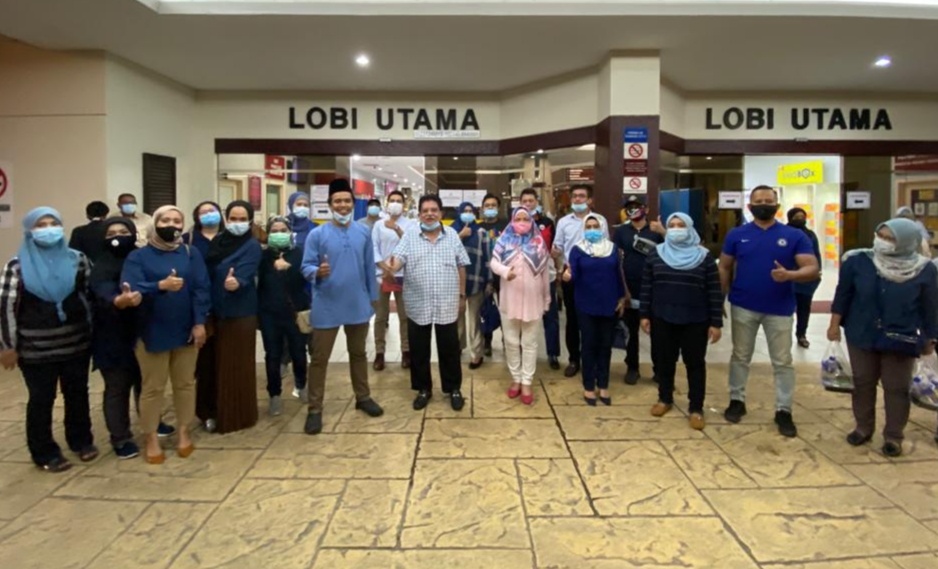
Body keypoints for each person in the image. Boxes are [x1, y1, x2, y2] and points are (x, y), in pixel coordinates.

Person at [828, 218, 938, 457]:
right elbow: (843, 294)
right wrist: (834, 324)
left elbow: (930, 306)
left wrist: (931, 337)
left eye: (890, 239)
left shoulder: (924, 269)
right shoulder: (858, 261)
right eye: (881, 236)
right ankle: (863, 428)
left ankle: (893, 436)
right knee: (862, 382)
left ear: (906, 242)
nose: (883, 242)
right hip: (861, 332)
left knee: (896, 387)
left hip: (902, 336)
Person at [719, 185, 820, 438]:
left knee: (782, 361)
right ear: (750, 206)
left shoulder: (794, 235)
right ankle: (736, 400)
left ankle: (784, 409)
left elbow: (812, 268)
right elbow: (724, 267)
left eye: (768, 201)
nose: (763, 204)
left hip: (780, 308)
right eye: (759, 201)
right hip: (743, 305)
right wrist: (719, 298)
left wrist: (790, 275)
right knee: (740, 356)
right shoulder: (737, 234)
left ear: (777, 205)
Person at [0, 207, 96, 472]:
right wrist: (7, 346)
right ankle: (44, 452)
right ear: (30, 231)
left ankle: (81, 441)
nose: (48, 229)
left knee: (77, 394)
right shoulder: (16, 266)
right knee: (42, 398)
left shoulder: (78, 259)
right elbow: (6, 308)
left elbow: (89, 296)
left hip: (76, 343)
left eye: (53, 223)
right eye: (40, 225)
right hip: (35, 349)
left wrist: (93, 333)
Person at [121, 205, 210, 463]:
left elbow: (201, 288)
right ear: (155, 224)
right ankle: (150, 437)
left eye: (177, 221)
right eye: (165, 220)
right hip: (152, 330)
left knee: (185, 384)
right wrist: (159, 285)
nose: (172, 225)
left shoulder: (190, 253)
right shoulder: (138, 256)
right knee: (153, 387)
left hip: (186, 329)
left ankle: (183, 431)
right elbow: (132, 287)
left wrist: (199, 322)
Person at [301, 179, 383, 434]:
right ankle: (315, 409)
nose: (342, 205)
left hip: (357, 303)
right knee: (319, 358)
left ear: (353, 203)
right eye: (337, 201)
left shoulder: (363, 232)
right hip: (326, 304)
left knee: (358, 353)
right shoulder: (317, 234)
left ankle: (363, 397)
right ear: (330, 204)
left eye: (347, 200)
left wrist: (372, 298)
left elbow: (369, 267)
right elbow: (305, 266)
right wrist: (317, 271)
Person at [639, 213, 723, 430]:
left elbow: (714, 290)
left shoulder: (704, 257)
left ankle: (696, 408)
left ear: (690, 228)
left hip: (696, 320)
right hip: (662, 316)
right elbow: (647, 286)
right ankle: (664, 398)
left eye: (681, 225)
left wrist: (716, 322)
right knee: (664, 361)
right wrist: (644, 314)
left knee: (695, 364)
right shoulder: (656, 254)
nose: (676, 229)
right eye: (672, 225)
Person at [388, 194, 471, 411]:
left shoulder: (451, 235)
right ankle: (423, 388)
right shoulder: (410, 236)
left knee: (450, 349)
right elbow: (398, 260)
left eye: (434, 210)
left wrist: (462, 296)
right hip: (418, 303)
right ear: (419, 214)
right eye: (425, 211)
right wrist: (391, 267)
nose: (429, 214)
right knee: (419, 349)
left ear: (441, 213)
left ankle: (453, 388)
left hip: (447, 303)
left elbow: (461, 266)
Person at [199, 200, 262, 434]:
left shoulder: (252, 246)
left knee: (234, 367)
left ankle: (235, 417)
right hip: (214, 312)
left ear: (250, 221)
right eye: (233, 219)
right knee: (211, 365)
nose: (237, 223)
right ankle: (210, 412)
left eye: (242, 219)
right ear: (226, 219)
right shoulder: (218, 241)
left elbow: (244, 273)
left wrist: (237, 282)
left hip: (239, 314)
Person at [89, 218, 145, 459]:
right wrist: (118, 300)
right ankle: (120, 437)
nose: (118, 237)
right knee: (117, 387)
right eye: (111, 233)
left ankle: (151, 422)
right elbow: (102, 292)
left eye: (123, 231)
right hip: (111, 334)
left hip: (143, 331)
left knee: (146, 383)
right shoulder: (100, 265)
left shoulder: (142, 258)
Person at [562, 214, 627, 405]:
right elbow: (573, 273)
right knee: (589, 344)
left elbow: (617, 274)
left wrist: (621, 297)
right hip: (586, 303)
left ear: (602, 228)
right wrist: (567, 276)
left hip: (609, 303)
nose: (592, 230)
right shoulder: (578, 249)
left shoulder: (612, 249)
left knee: (605, 345)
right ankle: (589, 386)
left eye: (595, 226)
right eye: (588, 227)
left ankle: (604, 384)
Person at [490, 208, 551, 405]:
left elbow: (545, 275)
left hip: (534, 300)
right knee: (511, 341)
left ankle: (527, 382)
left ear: (532, 221)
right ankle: (516, 378)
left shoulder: (539, 243)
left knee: (530, 343)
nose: (522, 222)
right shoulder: (504, 240)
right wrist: (505, 271)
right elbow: (493, 263)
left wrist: (547, 298)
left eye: (526, 218)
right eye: (518, 219)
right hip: (510, 299)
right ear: (512, 221)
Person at [553, 184, 609, 377]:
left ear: (590, 200)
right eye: (574, 196)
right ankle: (574, 359)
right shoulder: (563, 222)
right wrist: (557, 260)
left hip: (594, 275)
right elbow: (558, 247)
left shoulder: (600, 220)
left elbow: (606, 246)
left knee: (592, 318)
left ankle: (591, 360)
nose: (577, 199)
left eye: (582, 196)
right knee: (573, 319)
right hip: (570, 274)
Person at [257, 216, 309, 417]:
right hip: (269, 312)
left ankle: (301, 385)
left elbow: (306, 278)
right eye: (274, 231)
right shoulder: (262, 256)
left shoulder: (298, 253)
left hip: (295, 311)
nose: (279, 234)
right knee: (273, 355)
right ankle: (274, 395)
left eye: (283, 230)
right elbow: (257, 282)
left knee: (299, 352)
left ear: (290, 232)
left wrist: (290, 268)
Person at [613, 196, 665, 385]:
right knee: (631, 331)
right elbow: (617, 260)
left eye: (637, 206)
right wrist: (622, 290)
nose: (633, 210)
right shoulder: (621, 232)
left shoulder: (655, 230)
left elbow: (672, 249)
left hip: (654, 288)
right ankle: (632, 367)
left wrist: (663, 232)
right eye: (629, 207)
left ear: (646, 209)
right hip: (630, 287)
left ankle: (659, 370)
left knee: (657, 333)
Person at [372, 190, 415, 370]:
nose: (395, 203)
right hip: (382, 274)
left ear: (404, 205)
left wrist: (396, 228)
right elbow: (374, 246)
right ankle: (379, 353)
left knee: (404, 316)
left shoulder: (411, 224)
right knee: (380, 316)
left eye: (399, 201)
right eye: (392, 200)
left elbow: (411, 245)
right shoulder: (379, 224)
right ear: (387, 203)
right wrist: (383, 266)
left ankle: (406, 351)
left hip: (402, 274)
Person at [519, 188, 561, 370]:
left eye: (531, 201)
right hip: (523, 278)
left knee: (550, 317)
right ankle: (523, 353)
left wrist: (558, 269)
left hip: (546, 276)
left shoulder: (547, 223)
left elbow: (554, 249)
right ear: (520, 203)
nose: (528, 204)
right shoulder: (516, 223)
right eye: (525, 201)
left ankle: (553, 353)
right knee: (524, 317)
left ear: (537, 202)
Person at [453, 201, 491, 369]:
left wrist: (489, 280)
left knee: (474, 320)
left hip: (476, 281)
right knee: (457, 319)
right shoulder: (451, 231)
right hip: (455, 283)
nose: (468, 214)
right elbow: (444, 252)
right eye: (465, 211)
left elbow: (488, 258)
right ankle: (458, 347)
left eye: (471, 211)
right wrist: (460, 235)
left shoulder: (481, 232)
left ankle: (476, 354)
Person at [787, 208, 822, 348]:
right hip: (787, 279)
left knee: (804, 309)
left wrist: (816, 272)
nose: (800, 219)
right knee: (785, 310)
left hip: (806, 281)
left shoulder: (810, 235)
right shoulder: (783, 233)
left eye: (802, 216)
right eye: (796, 217)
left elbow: (816, 254)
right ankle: (784, 336)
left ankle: (801, 334)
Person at [479, 193, 508, 357]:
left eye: (493, 205)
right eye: (487, 205)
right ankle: (487, 341)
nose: (490, 208)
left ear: (498, 208)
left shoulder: (506, 226)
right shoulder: (478, 227)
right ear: (482, 208)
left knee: (505, 309)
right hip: (484, 274)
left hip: (503, 274)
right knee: (485, 309)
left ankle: (507, 339)